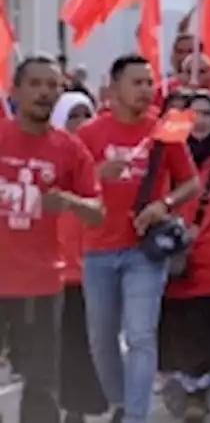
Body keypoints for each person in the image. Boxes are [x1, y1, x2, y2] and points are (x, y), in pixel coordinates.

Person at [77, 54, 200, 423]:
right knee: (101, 339)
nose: (146, 90)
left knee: (140, 335)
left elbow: (191, 182)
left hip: (144, 251)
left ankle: (135, 415)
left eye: (149, 83)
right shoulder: (88, 134)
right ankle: (120, 401)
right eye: (137, 83)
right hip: (97, 250)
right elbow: (67, 187)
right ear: (114, 88)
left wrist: (164, 203)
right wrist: (97, 174)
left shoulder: (167, 129)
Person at [0, 56, 103, 423]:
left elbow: (97, 210)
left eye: (52, 85)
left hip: (41, 284)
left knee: (42, 381)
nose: (44, 92)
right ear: (16, 91)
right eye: (36, 84)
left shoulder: (70, 149)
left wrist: (69, 201)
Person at [158, 91, 210, 422]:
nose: (200, 121)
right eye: (192, 114)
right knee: (172, 326)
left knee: (206, 328)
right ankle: (179, 387)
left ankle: (198, 392)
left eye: (208, 113)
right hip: (168, 259)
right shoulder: (162, 157)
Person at [52, 91, 109, 423]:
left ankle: (87, 403)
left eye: (86, 114)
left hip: (95, 262)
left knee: (94, 340)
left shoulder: (102, 162)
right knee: (65, 341)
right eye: (72, 115)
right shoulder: (48, 157)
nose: (81, 123)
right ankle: (68, 406)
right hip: (55, 269)